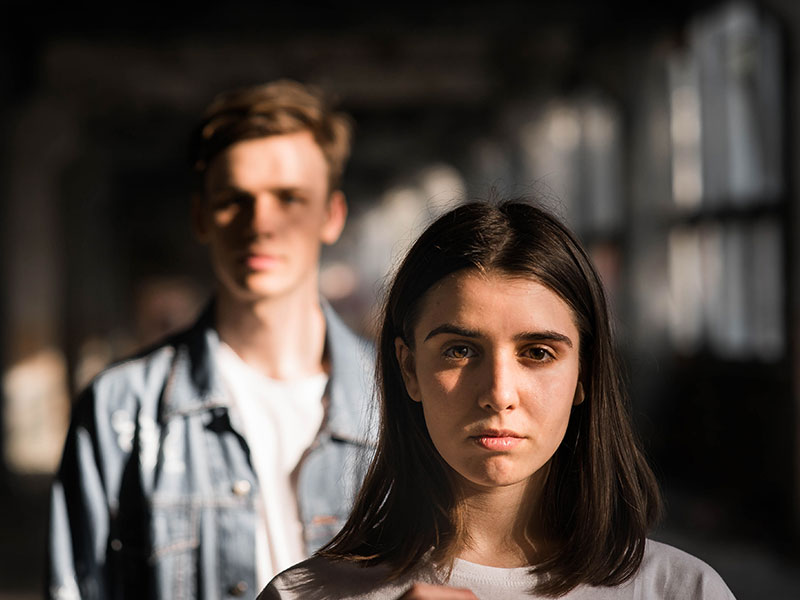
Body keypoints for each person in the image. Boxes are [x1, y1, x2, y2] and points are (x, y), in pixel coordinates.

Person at [259, 200, 736, 599]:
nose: (498, 394)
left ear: (585, 373)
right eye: (460, 351)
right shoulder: (303, 595)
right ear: (409, 369)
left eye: (538, 353)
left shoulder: (683, 591)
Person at [47, 80, 375, 600]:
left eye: (289, 198)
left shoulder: (403, 402)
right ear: (201, 217)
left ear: (331, 215)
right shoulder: (120, 409)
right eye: (233, 200)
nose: (260, 224)